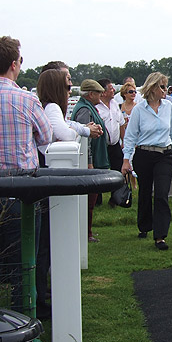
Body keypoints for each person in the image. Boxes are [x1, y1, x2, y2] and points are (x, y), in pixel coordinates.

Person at [35, 66, 103, 318]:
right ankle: (41, 298)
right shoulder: (52, 107)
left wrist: (77, 129)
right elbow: (63, 132)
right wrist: (77, 133)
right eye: (67, 83)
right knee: (45, 244)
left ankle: (42, 290)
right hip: (48, 177)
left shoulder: (48, 107)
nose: (70, 86)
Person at [0, 36, 53, 311]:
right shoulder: (25, 99)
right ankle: (22, 331)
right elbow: (46, 138)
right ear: (13, 65)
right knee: (24, 267)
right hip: (20, 194)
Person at [122, 72, 172, 250]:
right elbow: (130, 136)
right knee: (145, 192)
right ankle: (144, 225)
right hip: (144, 154)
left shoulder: (168, 107)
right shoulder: (139, 109)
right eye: (162, 86)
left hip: (164, 154)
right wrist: (126, 160)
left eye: (166, 86)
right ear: (152, 88)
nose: (165, 90)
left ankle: (160, 236)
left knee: (161, 194)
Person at [72, 79, 110, 242]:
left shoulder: (88, 108)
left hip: (94, 158)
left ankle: (87, 232)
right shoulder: (84, 111)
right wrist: (89, 162)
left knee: (90, 200)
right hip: (90, 161)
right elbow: (84, 138)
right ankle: (85, 234)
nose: (101, 95)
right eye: (99, 92)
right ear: (91, 94)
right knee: (88, 200)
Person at [96, 78, 126, 208]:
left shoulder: (114, 104)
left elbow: (121, 124)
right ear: (103, 92)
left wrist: (123, 141)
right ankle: (97, 200)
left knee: (117, 170)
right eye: (110, 88)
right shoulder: (95, 107)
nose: (113, 90)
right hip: (101, 146)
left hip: (115, 145)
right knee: (99, 171)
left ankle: (115, 198)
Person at [119, 81, 138, 189]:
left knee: (133, 161)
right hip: (123, 137)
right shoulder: (120, 107)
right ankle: (125, 184)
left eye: (135, 92)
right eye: (131, 92)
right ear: (124, 94)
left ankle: (134, 183)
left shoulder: (138, 107)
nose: (133, 94)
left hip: (135, 138)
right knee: (125, 160)